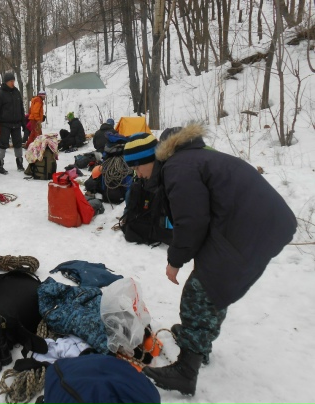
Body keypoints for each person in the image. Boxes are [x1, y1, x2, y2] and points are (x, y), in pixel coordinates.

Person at [122, 125, 297, 396]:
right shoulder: (185, 160)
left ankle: (185, 371)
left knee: (200, 293)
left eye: (137, 167)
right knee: (213, 287)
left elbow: (191, 221)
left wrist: (175, 261)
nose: (137, 174)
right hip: (255, 223)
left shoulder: (178, 168)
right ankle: (198, 343)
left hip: (252, 227)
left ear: (150, 159)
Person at [0, 72, 26, 174]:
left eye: (13, 81)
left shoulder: (17, 92)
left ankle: (20, 163)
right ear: (6, 82)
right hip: (4, 124)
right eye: (11, 81)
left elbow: (21, 109)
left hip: (17, 124)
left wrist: (24, 123)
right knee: (3, 144)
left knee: (18, 144)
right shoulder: (0, 94)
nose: (13, 83)